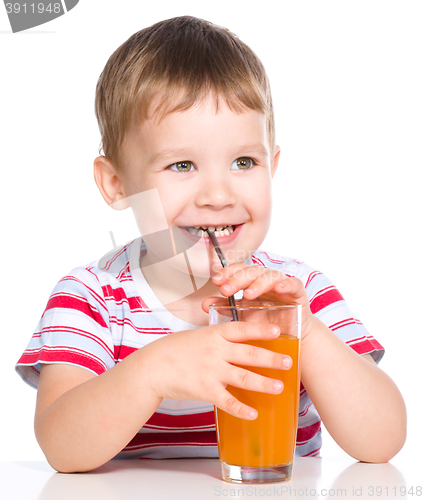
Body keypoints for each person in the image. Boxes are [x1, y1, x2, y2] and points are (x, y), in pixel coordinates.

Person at [16, 16, 406, 473]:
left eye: (244, 161)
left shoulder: (301, 291)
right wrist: (151, 371)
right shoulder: (91, 299)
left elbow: (382, 442)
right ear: (117, 183)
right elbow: (62, 449)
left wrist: (307, 332)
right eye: (182, 165)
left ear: (272, 166)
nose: (218, 196)